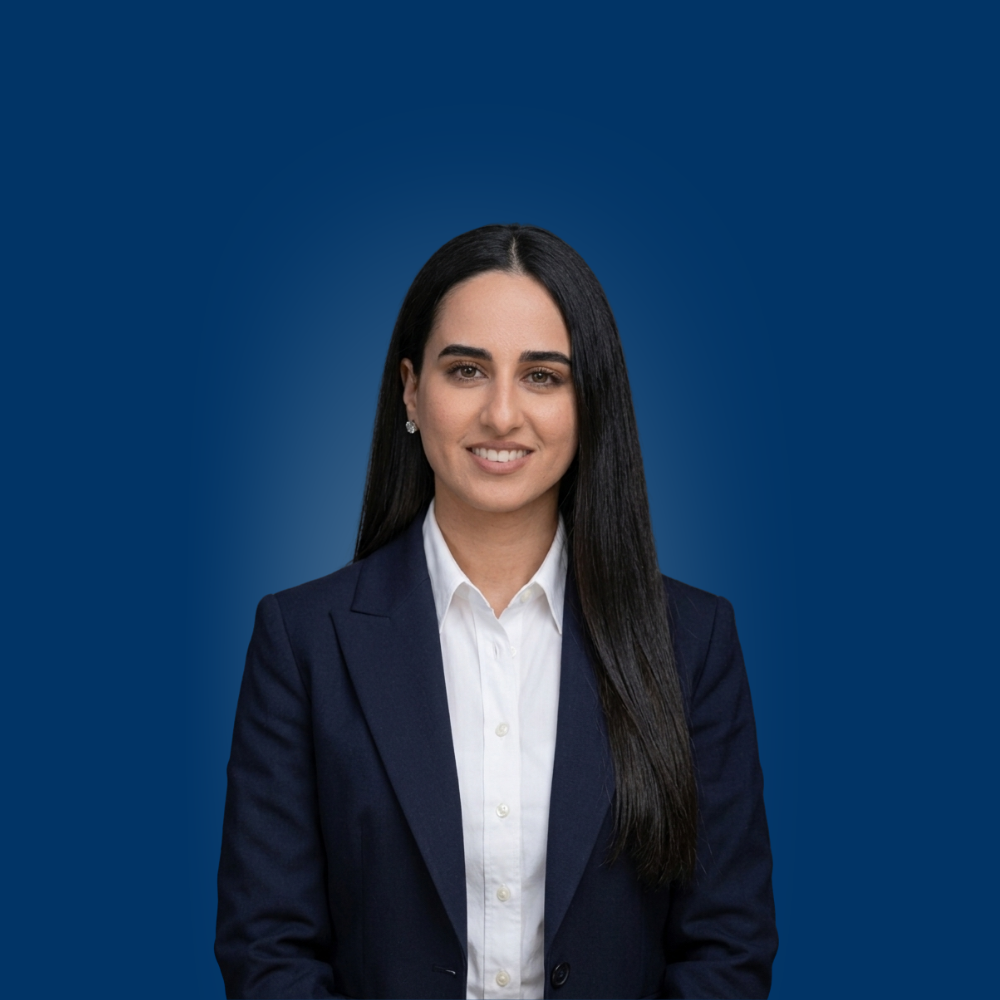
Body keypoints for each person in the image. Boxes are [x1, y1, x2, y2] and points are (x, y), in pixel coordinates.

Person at [215, 224, 777, 999]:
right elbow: (267, 948)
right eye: (467, 370)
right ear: (411, 390)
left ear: (589, 400)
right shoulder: (303, 641)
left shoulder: (693, 642)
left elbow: (728, 947)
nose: (502, 414)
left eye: (542, 376)